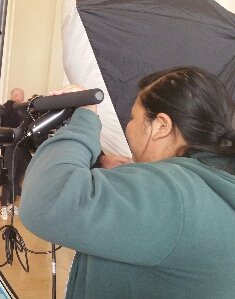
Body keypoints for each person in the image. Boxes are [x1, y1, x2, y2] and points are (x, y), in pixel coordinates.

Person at [19, 66, 235, 298]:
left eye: (133, 118)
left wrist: (84, 119)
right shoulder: (211, 185)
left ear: (161, 126)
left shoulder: (173, 192)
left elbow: (47, 200)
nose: (128, 127)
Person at [0, 88, 27, 220]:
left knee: (17, 177)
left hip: (23, 149)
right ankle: (3, 206)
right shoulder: (11, 110)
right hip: (11, 148)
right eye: (22, 97)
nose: (23, 100)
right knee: (9, 176)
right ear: (16, 96)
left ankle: (11, 203)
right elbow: (7, 128)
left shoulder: (23, 113)